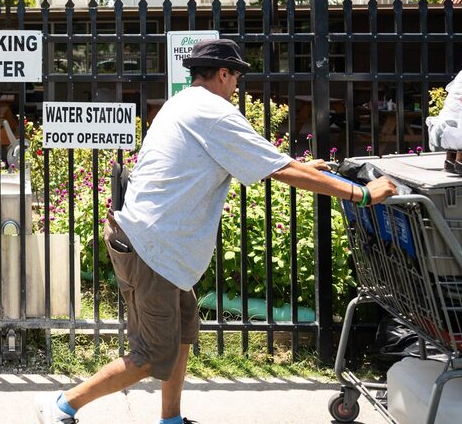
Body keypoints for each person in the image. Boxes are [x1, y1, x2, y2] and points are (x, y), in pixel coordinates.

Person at [34, 39, 397, 424]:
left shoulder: (185, 102)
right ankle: (61, 406)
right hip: (153, 247)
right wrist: (361, 193)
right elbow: (277, 170)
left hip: (160, 246)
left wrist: (306, 168)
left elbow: (267, 158)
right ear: (223, 74)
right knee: (151, 355)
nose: (237, 85)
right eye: (237, 76)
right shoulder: (214, 113)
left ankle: (170, 419)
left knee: (183, 335)